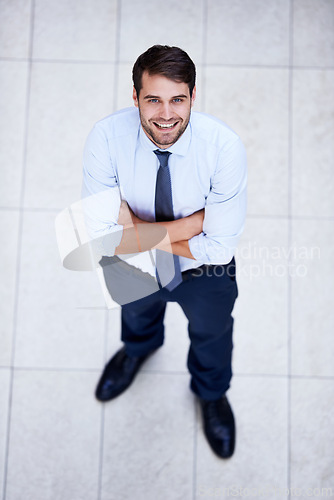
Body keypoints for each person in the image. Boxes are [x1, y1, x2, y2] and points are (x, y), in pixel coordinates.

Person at [82, 45, 247, 459]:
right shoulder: (105, 138)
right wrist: (193, 223)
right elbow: (102, 236)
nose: (166, 114)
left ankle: (211, 393)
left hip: (204, 274)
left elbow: (218, 248)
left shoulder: (223, 148)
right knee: (136, 315)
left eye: (177, 99)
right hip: (134, 265)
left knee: (212, 335)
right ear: (135, 97)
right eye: (153, 99)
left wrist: (135, 228)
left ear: (194, 96)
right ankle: (139, 350)